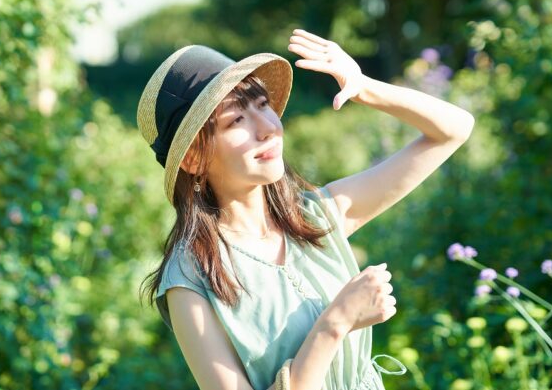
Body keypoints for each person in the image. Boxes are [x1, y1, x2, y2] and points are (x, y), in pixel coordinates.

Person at [137, 28, 475, 390]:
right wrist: (336, 323)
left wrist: (363, 87)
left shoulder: (316, 217)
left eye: (263, 106)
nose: (268, 128)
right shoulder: (191, 278)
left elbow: (454, 129)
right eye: (237, 120)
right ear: (193, 157)